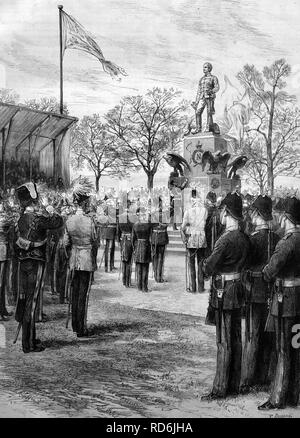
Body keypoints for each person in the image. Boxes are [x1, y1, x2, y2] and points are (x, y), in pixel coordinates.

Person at [201, 192, 250, 399]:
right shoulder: (244, 238)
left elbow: (209, 267)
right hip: (238, 290)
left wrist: (204, 264)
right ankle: (235, 385)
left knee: (224, 341)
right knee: (236, 340)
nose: (220, 213)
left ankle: (220, 388)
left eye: (222, 210)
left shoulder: (225, 240)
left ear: (227, 213)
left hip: (223, 292)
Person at [258, 197, 300, 410]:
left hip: (286, 301)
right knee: (296, 347)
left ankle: (277, 398)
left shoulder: (286, 242)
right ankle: (294, 396)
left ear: (286, 217)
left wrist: (265, 274)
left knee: (283, 349)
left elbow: (269, 271)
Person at [14, 182, 63, 353]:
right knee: (32, 302)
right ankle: (28, 344)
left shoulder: (21, 219)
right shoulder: (38, 219)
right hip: (36, 263)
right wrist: (51, 209)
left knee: (25, 299)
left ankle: (30, 338)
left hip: (23, 263)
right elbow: (57, 221)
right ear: (33, 201)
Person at [240, 195, 279, 394]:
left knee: (253, 334)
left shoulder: (253, 239)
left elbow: (244, 266)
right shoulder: (278, 238)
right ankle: (266, 377)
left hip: (255, 290)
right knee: (268, 335)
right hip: (272, 293)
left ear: (256, 214)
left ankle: (247, 379)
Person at [64, 185, 98, 338]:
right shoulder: (90, 221)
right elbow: (94, 240)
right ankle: (81, 328)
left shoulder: (69, 220)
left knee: (74, 292)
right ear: (84, 203)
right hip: (86, 260)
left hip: (73, 259)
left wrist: (70, 255)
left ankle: (74, 325)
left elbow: (65, 243)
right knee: (83, 294)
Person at [181, 191, 207, 293]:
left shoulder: (188, 211)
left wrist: (184, 234)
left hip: (191, 239)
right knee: (200, 264)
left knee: (191, 264)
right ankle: (201, 288)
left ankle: (193, 288)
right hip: (201, 239)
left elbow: (183, 227)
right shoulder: (204, 211)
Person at [191, 62, 220, 133]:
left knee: (209, 112)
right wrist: (196, 101)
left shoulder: (213, 78)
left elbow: (217, 87)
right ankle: (198, 128)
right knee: (198, 112)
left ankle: (208, 127)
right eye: (203, 67)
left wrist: (211, 91)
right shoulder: (201, 79)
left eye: (206, 67)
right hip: (202, 97)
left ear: (209, 68)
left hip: (210, 97)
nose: (204, 69)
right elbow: (199, 91)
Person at [132, 207, 152, 293]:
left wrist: (134, 248)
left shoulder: (135, 225)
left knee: (139, 267)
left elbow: (133, 239)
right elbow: (151, 237)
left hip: (138, 246)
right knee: (145, 267)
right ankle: (145, 287)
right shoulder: (148, 224)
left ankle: (139, 286)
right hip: (146, 246)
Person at [0, 202, 14, 320]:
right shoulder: (4, 219)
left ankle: (2, 309)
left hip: (4, 251)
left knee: (3, 283)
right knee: (0, 283)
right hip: (1, 252)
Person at [151, 201, 169, 283]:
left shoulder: (152, 214)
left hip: (155, 237)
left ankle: (156, 276)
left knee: (155, 257)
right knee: (160, 258)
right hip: (161, 238)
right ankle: (159, 277)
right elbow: (166, 225)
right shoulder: (164, 214)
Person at [118, 201, 134, 288]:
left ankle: (124, 281)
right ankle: (128, 281)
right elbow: (134, 231)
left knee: (124, 259)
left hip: (122, 240)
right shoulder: (132, 217)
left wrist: (118, 240)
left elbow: (118, 231)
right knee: (129, 261)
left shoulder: (120, 217)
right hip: (129, 239)